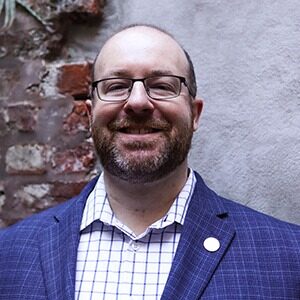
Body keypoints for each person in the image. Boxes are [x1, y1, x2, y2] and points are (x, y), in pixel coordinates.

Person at [0, 24, 299, 300]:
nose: (138, 102)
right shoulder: (10, 254)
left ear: (194, 114)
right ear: (89, 114)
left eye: (162, 85)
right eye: (116, 85)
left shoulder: (288, 256)